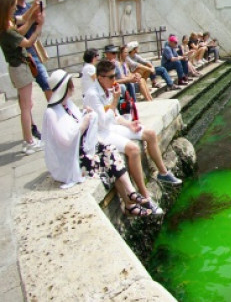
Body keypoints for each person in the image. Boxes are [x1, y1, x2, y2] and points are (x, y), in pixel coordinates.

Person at [42, 70, 158, 216]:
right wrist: (83, 123)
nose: (73, 88)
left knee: (109, 149)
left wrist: (85, 115)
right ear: (64, 88)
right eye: (70, 85)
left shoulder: (68, 105)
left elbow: (77, 125)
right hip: (71, 161)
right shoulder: (51, 113)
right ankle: (130, 200)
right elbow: (65, 140)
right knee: (105, 159)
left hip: (81, 150)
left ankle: (130, 195)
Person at [83, 60, 181, 205]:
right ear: (100, 78)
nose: (114, 80)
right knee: (133, 150)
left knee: (150, 134)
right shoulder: (92, 94)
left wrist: (129, 124)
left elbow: (115, 116)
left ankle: (163, 173)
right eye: (111, 77)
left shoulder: (107, 89)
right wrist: (115, 100)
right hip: (101, 133)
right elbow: (103, 121)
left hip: (112, 126)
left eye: (114, 75)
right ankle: (144, 195)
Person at [0, 0, 44, 154]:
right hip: (19, 67)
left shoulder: (8, 22)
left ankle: (29, 140)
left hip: (18, 67)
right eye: (12, 7)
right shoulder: (6, 30)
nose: (14, 10)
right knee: (26, 107)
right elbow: (26, 42)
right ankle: (29, 141)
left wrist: (33, 9)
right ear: (7, 9)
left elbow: (24, 20)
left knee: (27, 104)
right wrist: (38, 29)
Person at [12, 0, 52, 104]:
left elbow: (38, 27)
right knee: (29, 91)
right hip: (24, 53)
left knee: (46, 82)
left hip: (34, 50)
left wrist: (40, 15)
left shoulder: (30, 7)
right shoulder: (13, 12)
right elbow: (19, 33)